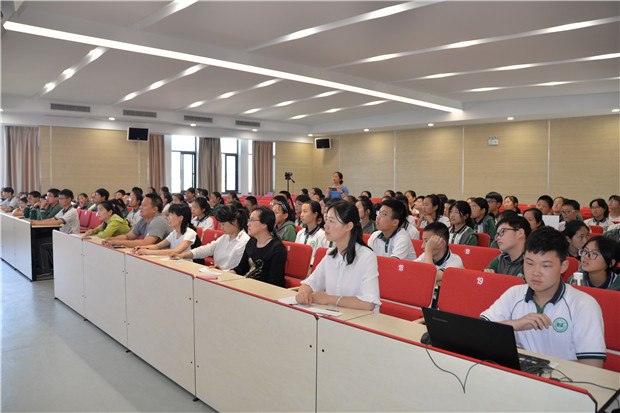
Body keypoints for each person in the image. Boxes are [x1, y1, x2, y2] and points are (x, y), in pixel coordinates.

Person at [481, 226, 606, 367]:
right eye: (529, 263)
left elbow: (593, 365)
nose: (536, 273)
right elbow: (480, 332)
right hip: (516, 375)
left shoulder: (584, 305)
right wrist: (514, 325)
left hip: (562, 379)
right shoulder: (514, 293)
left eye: (546, 266)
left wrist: (543, 369)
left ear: (563, 266)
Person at [296, 200, 380, 312]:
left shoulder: (366, 256)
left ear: (348, 226)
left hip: (360, 319)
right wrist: (303, 292)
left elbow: (369, 303)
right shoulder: (330, 254)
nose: (325, 226)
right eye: (326, 220)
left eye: (331, 221)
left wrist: (330, 299)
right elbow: (311, 282)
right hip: (334, 315)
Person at [173, 205, 250, 270]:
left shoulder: (244, 241)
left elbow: (241, 269)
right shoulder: (224, 237)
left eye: (223, 224)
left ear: (235, 222)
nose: (221, 227)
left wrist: (223, 271)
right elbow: (206, 249)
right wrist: (183, 255)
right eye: (220, 224)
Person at [231, 206, 287, 287]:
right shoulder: (251, 241)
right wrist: (228, 273)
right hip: (248, 285)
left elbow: (275, 282)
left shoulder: (277, 248)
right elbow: (241, 268)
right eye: (249, 220)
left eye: (252, 220)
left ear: (264, 224)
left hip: (265, 290)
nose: (248, 224)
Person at [104, 193, 171, 248]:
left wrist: (119, 242)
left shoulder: (159, 220)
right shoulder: (144, 220)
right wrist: (111, 239)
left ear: (154, 209)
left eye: (144, 205)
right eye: (141, 204)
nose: (140, 207)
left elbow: (145, 243)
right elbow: (128, 236)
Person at [133, 204, 197, 256]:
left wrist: (148, 252)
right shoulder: (174, 233)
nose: (168, 218)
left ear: (180, 218)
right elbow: (157, 246)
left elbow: (176, 251)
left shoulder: (190, 233)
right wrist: (142, 247)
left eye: (171, 215)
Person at [414, 222, 464, 286]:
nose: (422, 246)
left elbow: (430, 277)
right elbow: (410, 270)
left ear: (442, 243)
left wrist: (429, 250)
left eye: (427, 241)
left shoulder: (456, 261)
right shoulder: (427, 255)